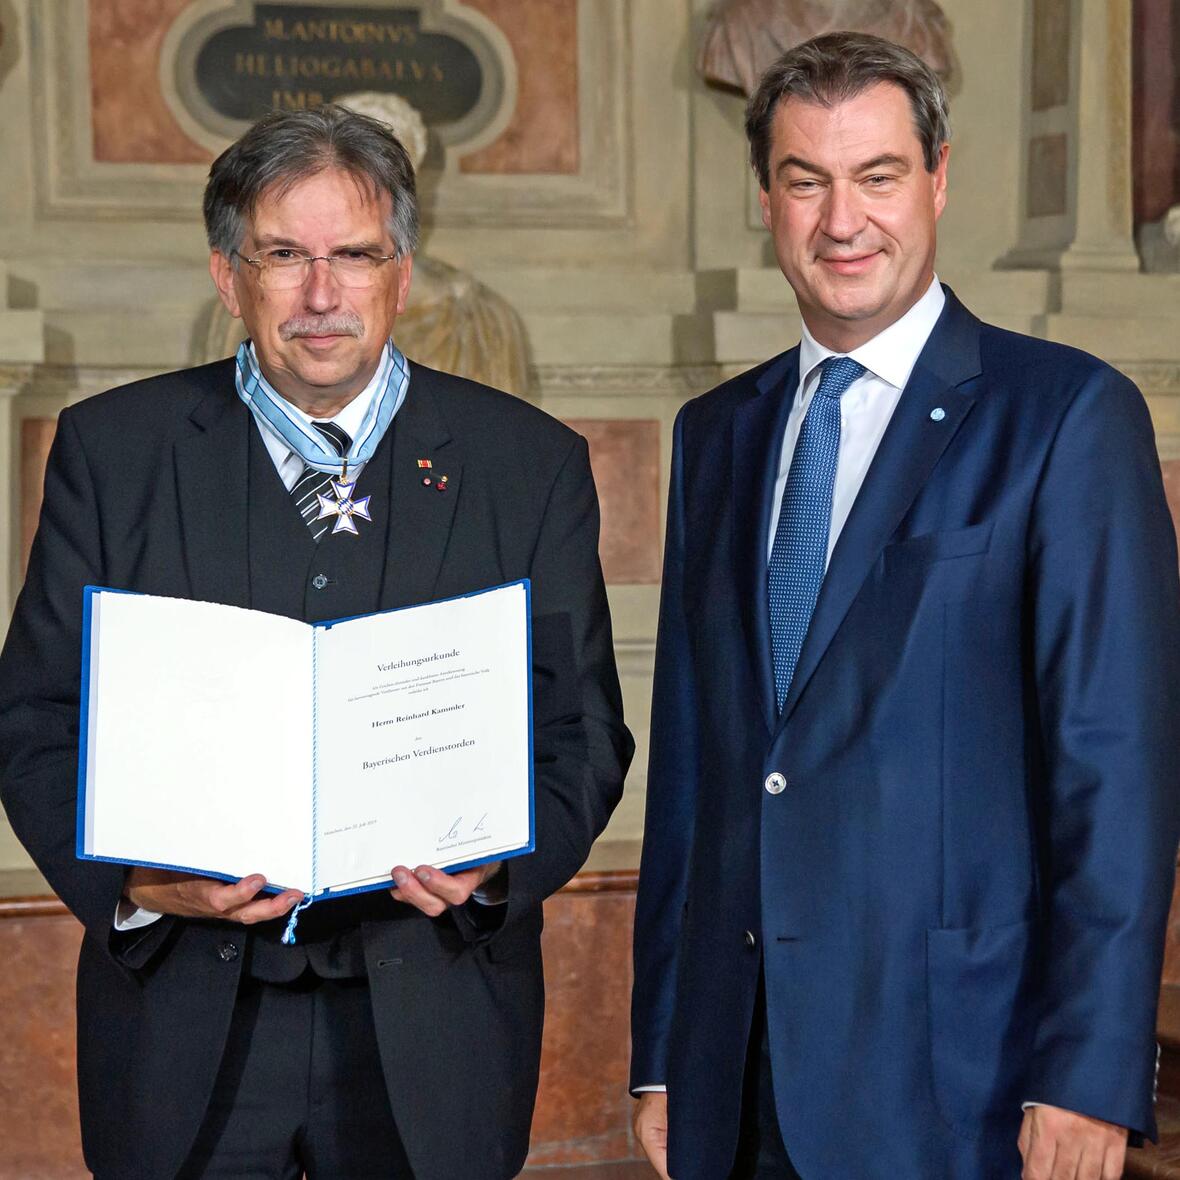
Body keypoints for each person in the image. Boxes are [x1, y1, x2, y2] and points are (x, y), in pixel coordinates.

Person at [0, 104, 632, 1180]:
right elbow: (36, 718)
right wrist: (140, 882)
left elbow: (580, 736)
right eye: (285, 255)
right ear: (226, 273)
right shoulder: (116, 454)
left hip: (433, 1024)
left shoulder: (526, 465)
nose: (323, 293)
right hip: (184, 1022)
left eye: (355, 255)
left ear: (402, 271)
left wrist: (491, 868)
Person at [631, 31, 1180, 1180]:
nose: (843, 222)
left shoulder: (1065, 417)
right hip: (738, 1074)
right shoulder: (717, 436)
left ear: (937, 178)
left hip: (960, 1080)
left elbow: (1114, 772)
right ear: (767, 199)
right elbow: (699, 770)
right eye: (806, 180)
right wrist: (665, 1051)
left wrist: (1086, 1071)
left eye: (877, 176)